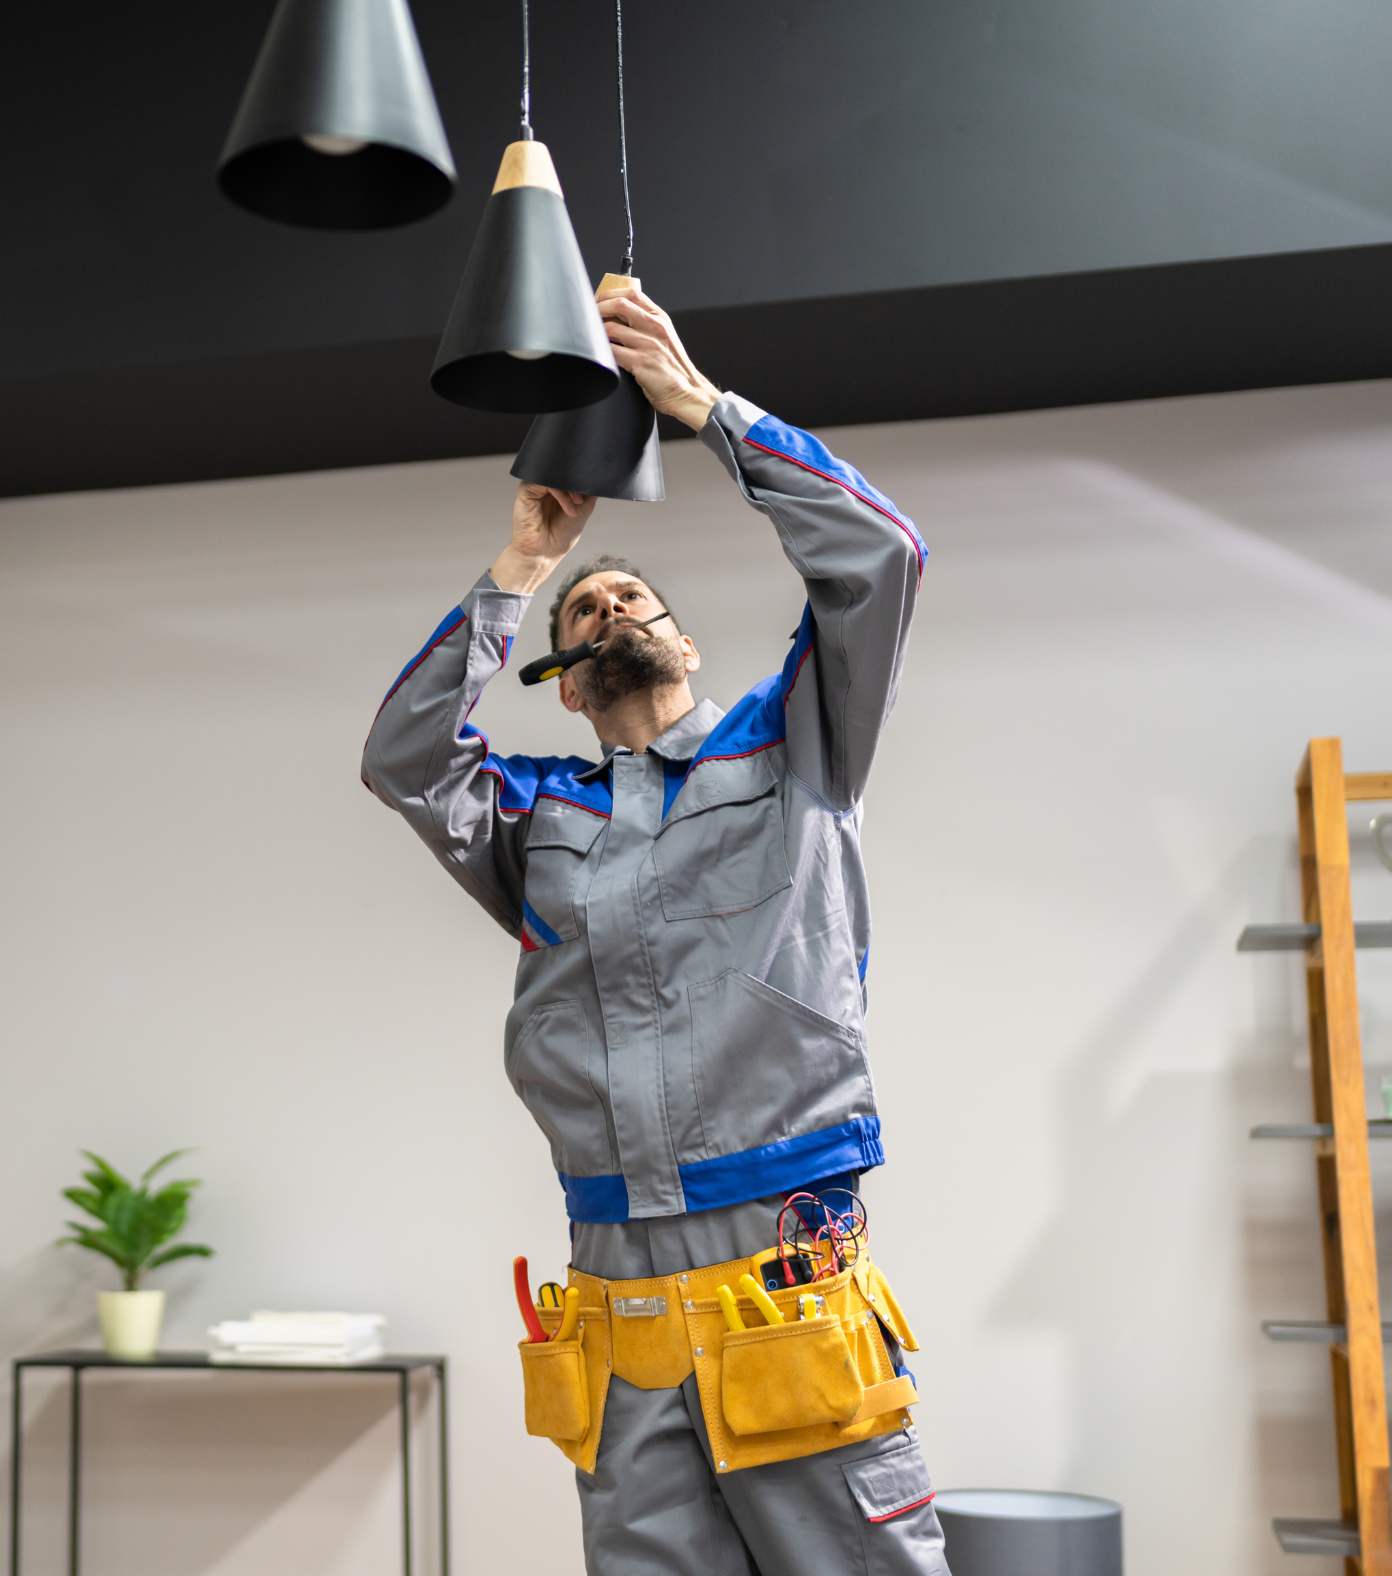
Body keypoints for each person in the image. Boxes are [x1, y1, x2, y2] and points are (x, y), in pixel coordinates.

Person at [360, 288, 942, 1575]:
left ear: (680, 641)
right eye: (584, 611)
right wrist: (522, 568)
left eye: (631, 592)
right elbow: (404, 761)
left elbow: (881, 556)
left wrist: (700, 411)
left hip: (779, 1271)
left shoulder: (798, 745)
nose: (608, 601)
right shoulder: (537, 815)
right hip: (612, 1296)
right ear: (559, 685)